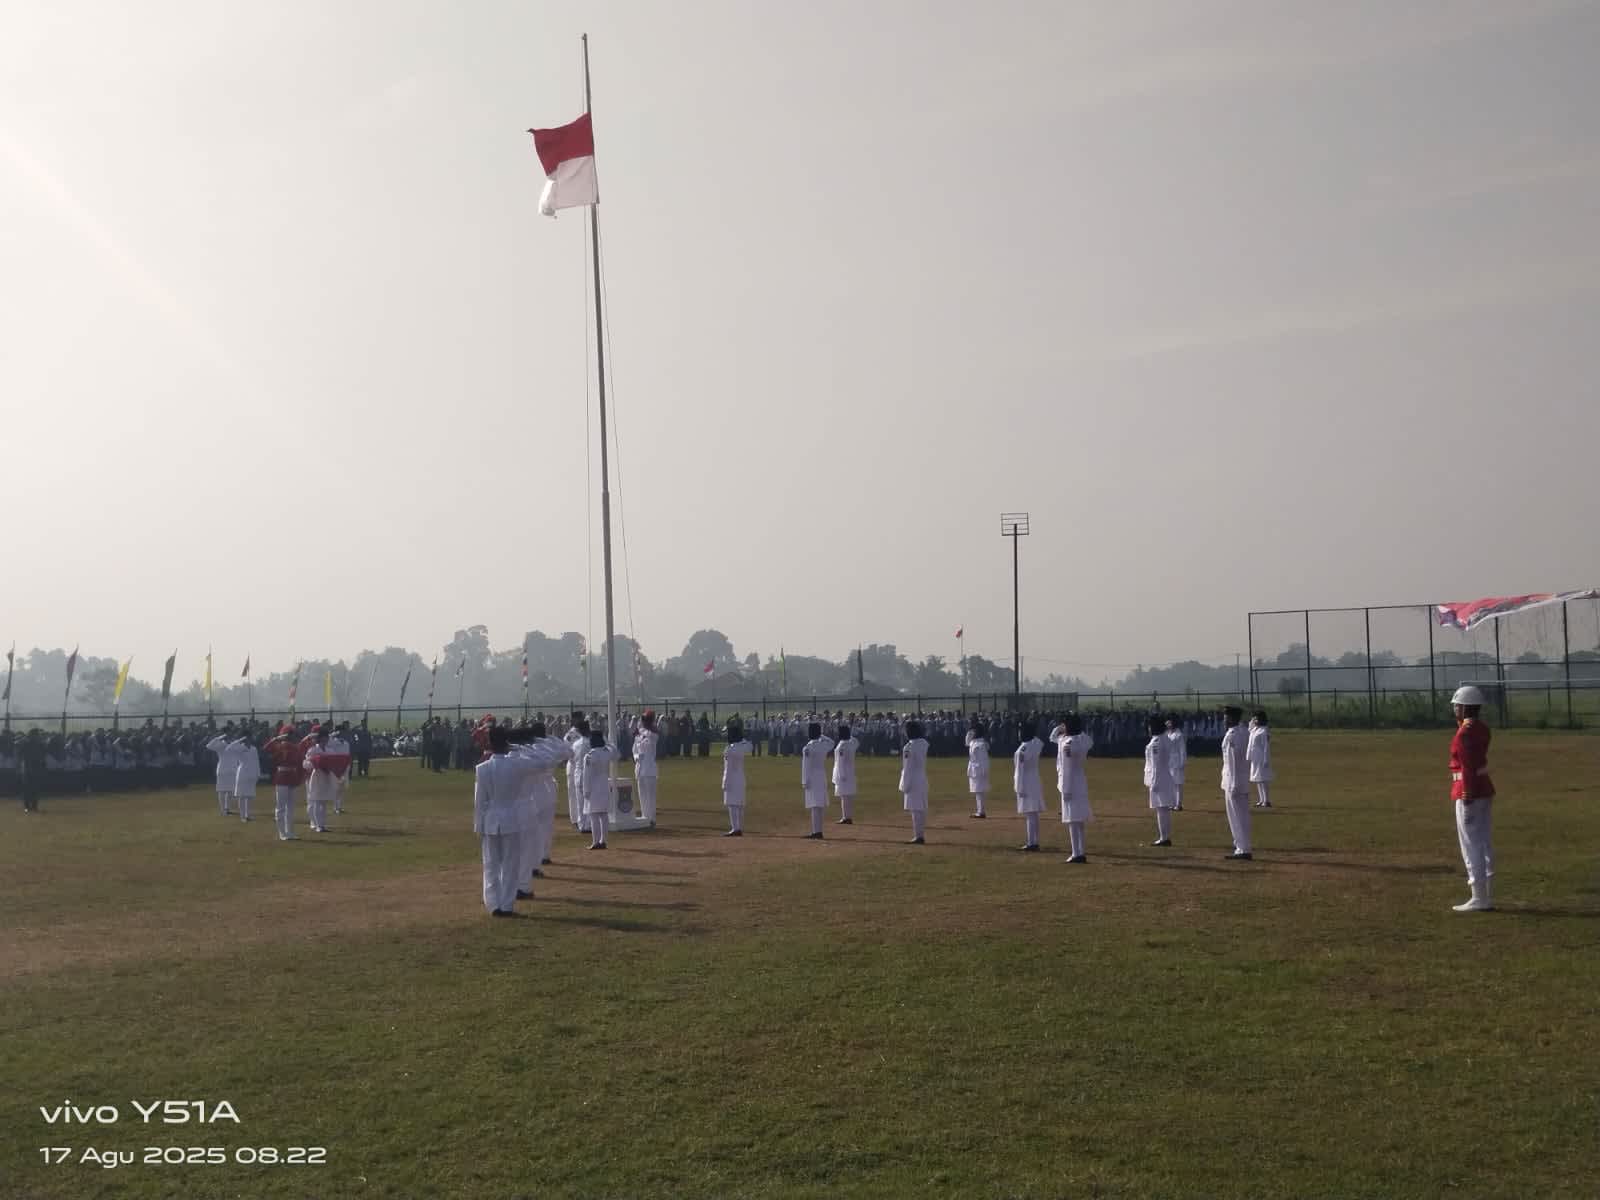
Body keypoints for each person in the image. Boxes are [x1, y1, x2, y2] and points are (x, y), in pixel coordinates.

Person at [473, 724, 567, 916]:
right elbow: (546, 761)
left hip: (491, 819)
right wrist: (526, 747)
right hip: (511, 818)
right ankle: (507, 905)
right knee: (510, 863)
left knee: (491, 864)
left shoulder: (482, 768)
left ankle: (493, 904)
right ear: (506, 743)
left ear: (489, 743)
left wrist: (479, 825)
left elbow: (479, 801)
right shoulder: (517, 763)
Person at [1448, 685, 1496, 913]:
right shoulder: (1482, 728)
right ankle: (1486, 892)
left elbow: (1467, 766)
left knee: (1471, 844)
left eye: (1457, 706)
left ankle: (1479, 896)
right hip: (1484, 788)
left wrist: (1466, 793)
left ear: (1466, 707)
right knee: (1483, 841)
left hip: (1469, 790)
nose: (1455, 709)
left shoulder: (1464, 732)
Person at [1051, 713, 1094, 863]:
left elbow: (1067, 768)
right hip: (1080, 781)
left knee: (1072, 820)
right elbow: (1090, 741)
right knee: (1079, 820)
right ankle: (1080, 851)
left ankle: (1076, 853)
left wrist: (1066, 789)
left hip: (1070, 783)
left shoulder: (1067, 743)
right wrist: (1076, 728)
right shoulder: (1081, 740)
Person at [1220, 707, 1252, 860]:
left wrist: (1232, 784)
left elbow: (1233, 761)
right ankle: (1242, 846)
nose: (1223, 720)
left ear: (1232, 718)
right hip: (1242, 778)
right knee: (1243, 816)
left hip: (1234, 780)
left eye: (1226, 717)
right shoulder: (1244, 731)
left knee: (1236, 816)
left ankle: (1242, 848)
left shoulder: (1232, 735)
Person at [303, 729, 349, 834]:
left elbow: (334, 764)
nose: (326, 739)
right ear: (320, 738)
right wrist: (315, 763)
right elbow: (306, 764)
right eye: (324, 737)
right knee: (317, 801)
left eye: (327, 737)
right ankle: (317, 824)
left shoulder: (330, 751)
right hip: (317, 776)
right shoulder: (313, 750)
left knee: (323, 802)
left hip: (327, 777)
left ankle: (322, 825)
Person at [265, 724, 304, 841]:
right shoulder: (279, 746)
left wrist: (299, 778)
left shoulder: (295, 747)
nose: (292, 737)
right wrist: (277, 738)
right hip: (282, 776)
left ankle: (290, 832)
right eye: (290, 734)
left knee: (291, 807)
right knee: (281, 806)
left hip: (292, 776)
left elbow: (299, 763)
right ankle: (282, 832)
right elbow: (266, 748)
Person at [580, 729, 616, 849]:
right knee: (603, 814)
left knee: (594, 815)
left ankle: (595, 842)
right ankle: (603, 841)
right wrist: (608, 742)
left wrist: (586, 790)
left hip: (593, 785)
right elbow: (616, 753)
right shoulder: (606, 752)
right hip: (604, 783)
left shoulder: (590, 755)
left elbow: (586, 775)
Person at [1144, 714, 1177, 846]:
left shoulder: (1156, 742)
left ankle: (1164, 838)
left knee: (1161, 810)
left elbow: (1156, 764)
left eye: (1150, 726)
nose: (1148, 729)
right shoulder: (1165, 739)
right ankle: (1165, 836)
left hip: (1159, 778)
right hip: (1165, 776)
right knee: (1164, 810)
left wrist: (1154, 783)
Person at [801, 722, 835, 839]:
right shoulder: (822, 745)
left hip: (812, 776)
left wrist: (804, 780)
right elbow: (832, 742)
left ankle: (816, 831)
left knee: (814, 805)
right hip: (822, 774)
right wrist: (822, 735)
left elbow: (806, 766)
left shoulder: (808, 747)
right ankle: (819, 830)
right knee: (819, 805)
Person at [1013, 726, 1045, 851]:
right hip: (1035, 779)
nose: (1019, 733)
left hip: (1025, 782)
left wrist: (1018, 787)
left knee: (1030, 814)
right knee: (1034, 814)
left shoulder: (1022, 750)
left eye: (1020, 731)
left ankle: (1032, 842)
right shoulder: (1035, 744)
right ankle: (1034, 840)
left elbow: (1019, 771)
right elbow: (1040, 741)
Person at [899, 719, 930, 844]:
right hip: (922, 777)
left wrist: (904, 784)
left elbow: (907, 768)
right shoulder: (923, 743)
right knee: (921, 809)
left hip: (913, 780)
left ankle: (918, 836)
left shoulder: (909, 747)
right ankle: (920, 834)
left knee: (915, 809)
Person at [721, 719, 753, 836]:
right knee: (739, 803)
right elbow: (750, 746)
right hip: (741, 777)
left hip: (731, 778)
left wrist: (724, 782)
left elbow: (728, 769)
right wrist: (741, 738)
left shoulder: (729, 750)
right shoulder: (741, 747)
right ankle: (739, 827)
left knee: (732, 804)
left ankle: (735, 828)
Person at [204, 726, 242, 816]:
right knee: (221, 790)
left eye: (231, 732)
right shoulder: (220, 744)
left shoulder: (234, 743)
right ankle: (222, 810)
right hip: (222, 769)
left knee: (231, 790)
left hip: (233, 769)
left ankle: (227, 809)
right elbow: (208, 746)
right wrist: (220, 738)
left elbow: (242, 749)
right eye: (228, 732)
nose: (230, 734)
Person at [632, 709, 660, 827]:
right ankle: (645, 817)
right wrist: (637, 756)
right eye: (643, 719)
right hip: (640, 768)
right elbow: (634, 750)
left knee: (650, 796)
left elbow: (650, 734)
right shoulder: (639, 734)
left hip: (650, 769)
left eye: (646, 719)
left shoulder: (653, 734)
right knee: (642, 795)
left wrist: (640, 729)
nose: (643, 721)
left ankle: (651, 819)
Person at [564, 714, 590, 831]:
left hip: (584, 765)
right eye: (579, 718)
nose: (581, 719)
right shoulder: (571, 734)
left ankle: (586, 820)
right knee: (573, 794)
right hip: (574, 764)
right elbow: (566, 749)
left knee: (585, 794)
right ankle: (575, 818)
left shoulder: (586, 732)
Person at [831, 722, 858, 824]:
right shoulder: (851, 743)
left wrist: (841, 775)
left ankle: (846, 817)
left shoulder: (842, 745)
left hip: (843, 772)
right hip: (850, 771)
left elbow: (840, 761)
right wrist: (849, 735)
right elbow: (857, 741)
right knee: (849, 796)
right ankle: (848, 816)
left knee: (844, 796)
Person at [1247, 711, 1273, 807]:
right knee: (1257, 779)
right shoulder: (1255, 729)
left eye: (1257, 719)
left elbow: (1266, 746)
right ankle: (1261, 799)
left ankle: (1266, 800)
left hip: (1261, 756)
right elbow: (1249, 729)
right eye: (1255, 719)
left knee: (1263, 779)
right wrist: (1252, 720)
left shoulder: (1264, 730)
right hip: (1255, 757)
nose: (1256, 721)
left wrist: (1266, 759)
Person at [17, 729, 47, 813]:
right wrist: (19, 767)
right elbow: (20, 756)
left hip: (37, 768)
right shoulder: (25, 744)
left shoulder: (41, 744)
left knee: (36, 788)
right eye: (36, 735)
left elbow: (43, 756)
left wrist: (43, 766)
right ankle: (26, 806)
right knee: (27, 788)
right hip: (27, 767)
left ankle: (34, 805)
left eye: (37, 735)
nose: (37, 736)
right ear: (31, 735)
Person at [966, 719, 991, 819]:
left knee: (980, 791)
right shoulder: (974, 742)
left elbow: (984, 760)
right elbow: (967, 742)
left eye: (974, 731)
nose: (972, 732)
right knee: (977, 791)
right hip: (974, 768)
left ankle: (981, 812)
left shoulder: (981, 744)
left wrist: (984, 771)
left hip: (979, 770)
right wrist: (969, 732)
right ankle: (980, 810)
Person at [232, 731, 259, 823]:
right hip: (242, 773)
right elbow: (229, 748)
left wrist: (257, 774)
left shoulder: (254, 748)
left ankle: (248, 815)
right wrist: (239, 740)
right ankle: (242, 816)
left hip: (252, 773)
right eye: (247, 738)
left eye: (250, 737)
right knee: (242, 795)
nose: (249, 739)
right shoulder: (239, 747)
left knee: (249, 795)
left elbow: (256, 762)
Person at [327, 722, 353, 815]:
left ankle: (339, 806)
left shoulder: (346, 743)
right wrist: (333, 734)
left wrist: (348, 768)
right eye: (342, 732)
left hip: (344, 768)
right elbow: (326, 741)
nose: (344, 734)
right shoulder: (332, 742)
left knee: (342, 788)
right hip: (335, 768)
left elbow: (348, 756)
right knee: (336, 788)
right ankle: (335, 807)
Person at [1166, 715, 1187, 811]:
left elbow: (1182, 750)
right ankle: (1172, 803)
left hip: (1177, 761)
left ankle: (1178, 804)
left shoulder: (1179, 735)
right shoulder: (1167, 734)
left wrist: (1182, 763)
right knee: (1171, 784)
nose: (1167, 724)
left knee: (1178, 784)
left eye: (1169, 722)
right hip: (1169, 762)